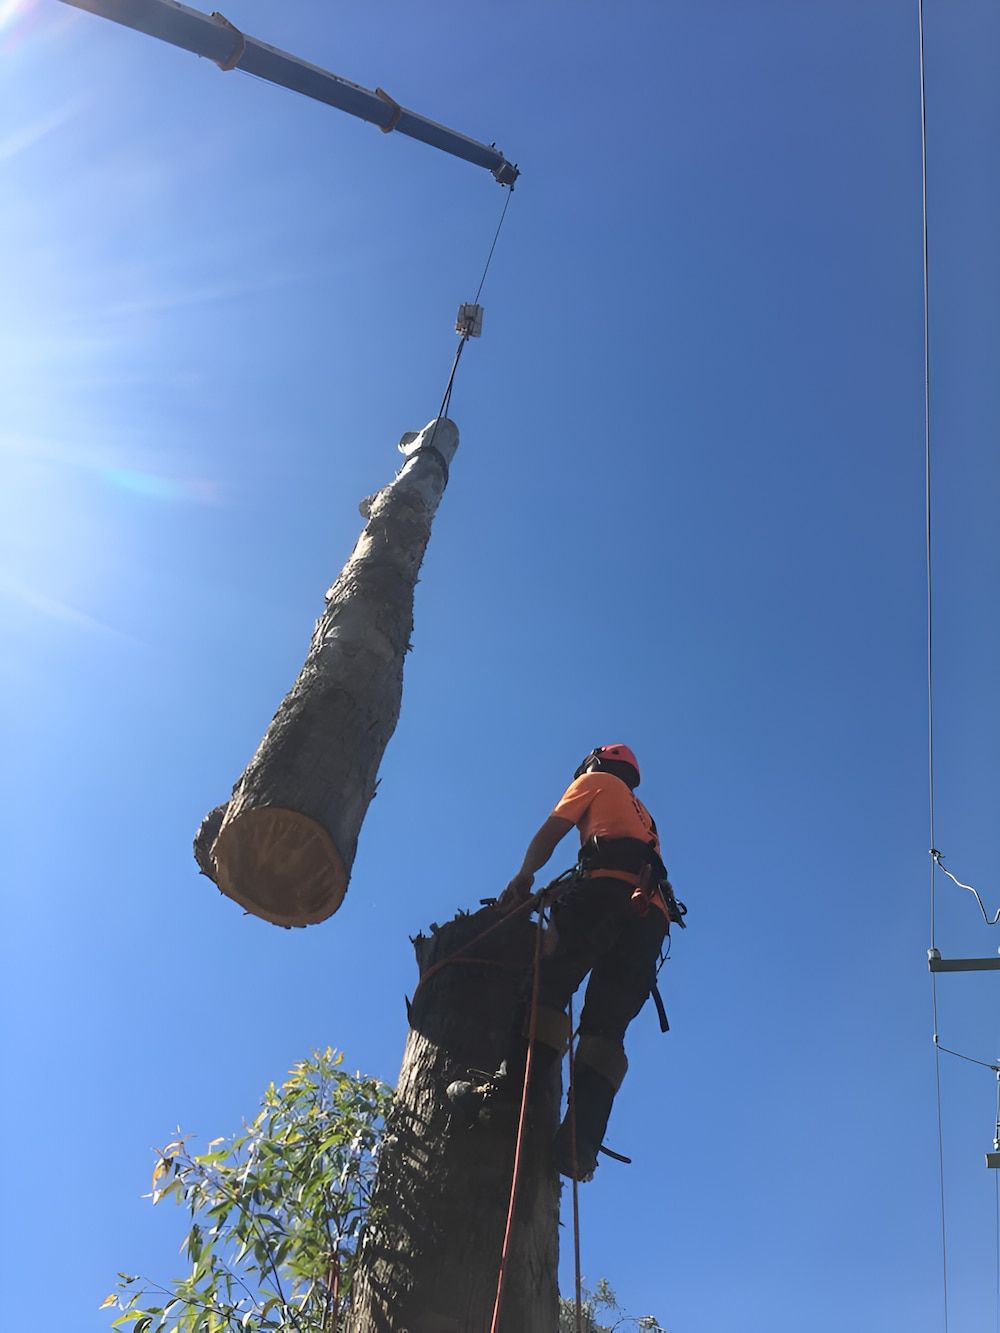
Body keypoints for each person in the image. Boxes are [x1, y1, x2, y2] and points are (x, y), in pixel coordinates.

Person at [448, 744, 678, 1181]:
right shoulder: (644, 816)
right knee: (606, 1031)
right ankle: (581, 1143)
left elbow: (551, 833)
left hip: (604, 895)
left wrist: (523, 878)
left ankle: (507, 1098)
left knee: (548, 988)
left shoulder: (593, 782)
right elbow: (619, 860)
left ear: (594, 765)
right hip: (649, 919)